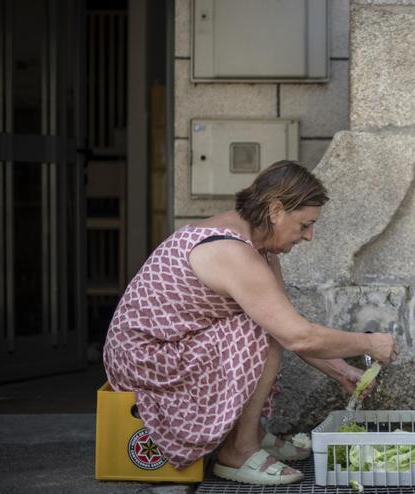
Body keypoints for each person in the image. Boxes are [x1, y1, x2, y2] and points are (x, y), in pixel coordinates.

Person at [103, 160, 399, 485]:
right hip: (145, 361)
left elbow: (289, 322)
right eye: (304, 225)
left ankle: (252, 435)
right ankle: (238, 452)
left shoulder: (258, 247)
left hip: (166, 347)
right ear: (275, 210)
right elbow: (294, 335)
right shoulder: (232, 252)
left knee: (267, 322)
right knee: (259, 329)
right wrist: (370, 343)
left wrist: (342, 371)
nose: (309, 236)